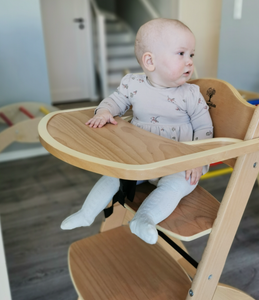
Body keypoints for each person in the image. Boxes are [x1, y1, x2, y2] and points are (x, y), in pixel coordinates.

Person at [61, 18, 213, 244]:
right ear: (149, 61)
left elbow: (204, 127)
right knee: (114, 175)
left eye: (192, 55)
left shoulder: (191, 93)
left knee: (179, 185)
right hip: (140, 158)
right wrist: (104, 112)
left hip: (180, 162)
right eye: (181, 54)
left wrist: (197, 159)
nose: (189, 61)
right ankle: (86, 213)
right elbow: (116, 101)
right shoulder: (133, 84)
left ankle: (144, 219)